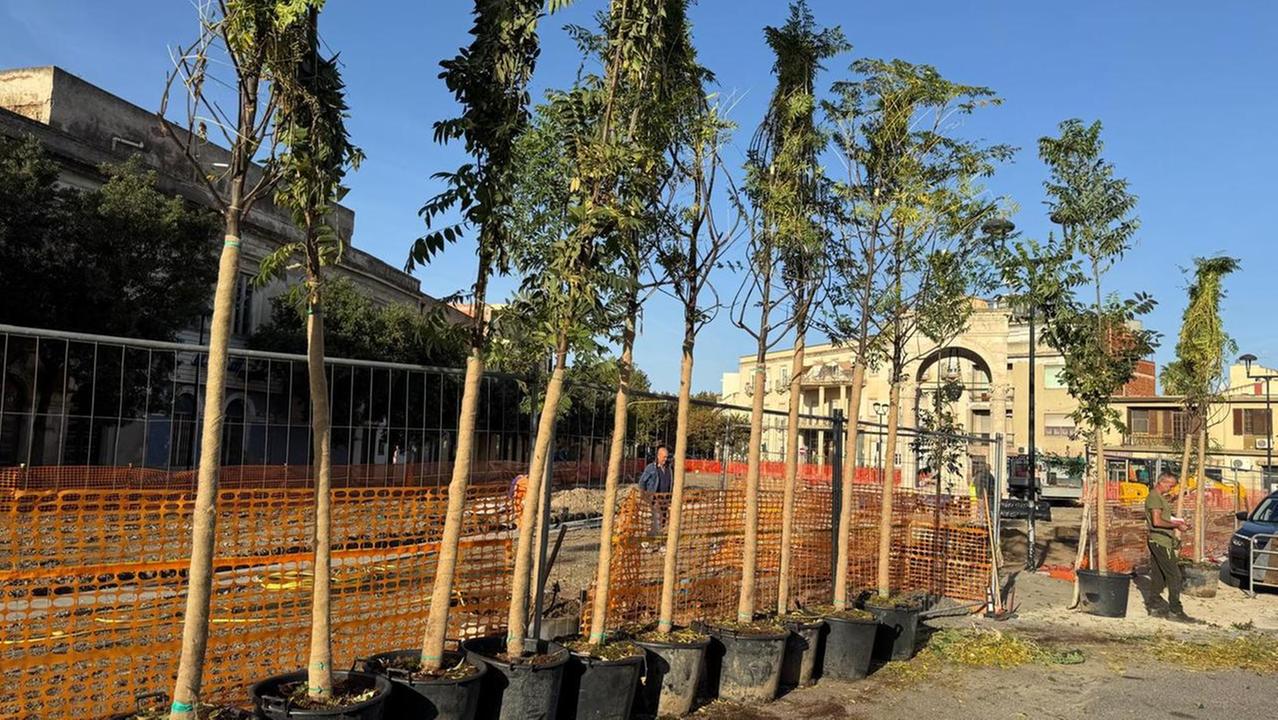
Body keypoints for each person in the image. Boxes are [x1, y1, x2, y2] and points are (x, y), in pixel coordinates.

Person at [1146, 469, 1192, 621]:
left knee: (1159, 575)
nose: (1171, 488)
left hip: (1160, 540)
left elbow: (1162, 518)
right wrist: (1176, 526)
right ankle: (1175, 610)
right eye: (1170, 485)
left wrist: (1176, 521)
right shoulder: (1154, 497)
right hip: (1161, 541)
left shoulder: (1159, 497)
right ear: (1162, 482)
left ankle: (1154, 606)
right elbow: (1157, 521)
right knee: (1175, 575)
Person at [639, 444, 673, 535]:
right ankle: (654, 536)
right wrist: (644, 494)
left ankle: (658, 535)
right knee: (657, 517)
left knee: (663, 518)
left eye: (667, 457)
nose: (665, 459)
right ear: (658, 456)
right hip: (655, 498)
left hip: (665, 498)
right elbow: (642, 481)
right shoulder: (651, 468)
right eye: (664, 457)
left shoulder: (669, 468)